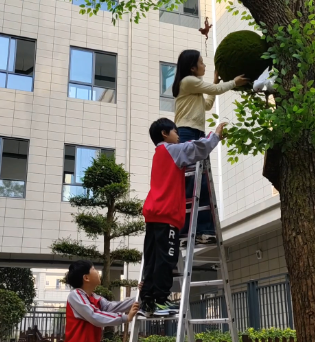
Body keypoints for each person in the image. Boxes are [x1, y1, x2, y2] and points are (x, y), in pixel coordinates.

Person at [140, 118, 227, 317]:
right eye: (175, 131)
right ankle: (161, 300)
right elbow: (198, 148)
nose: (178, 135)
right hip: (166, 214)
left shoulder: (158, 154)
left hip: (153, 213)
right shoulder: (173, 149)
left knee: (152, 259)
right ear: (165, 133)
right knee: (166, 258)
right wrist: (215, 136)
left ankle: (147, 301)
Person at [172, 49, 249, 246]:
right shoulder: (188, 81)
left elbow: (206, 105)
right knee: (195, 184)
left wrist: (215, 83)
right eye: (201, 62)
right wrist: (233, 83)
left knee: (199, 182)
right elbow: (214, 91)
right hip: (187, 133)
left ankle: (195, 231)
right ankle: (193, 231)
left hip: (194, 133)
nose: (204, 66)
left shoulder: (193, 86)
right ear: (192, 67)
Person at [64, 260, 139, 342]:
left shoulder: (95, 297)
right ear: (86, 278)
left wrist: (140, 297)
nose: (97, 272)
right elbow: (94, 315)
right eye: (94, 269)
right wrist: (125, 318)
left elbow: (112, 307)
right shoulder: (75, 295)